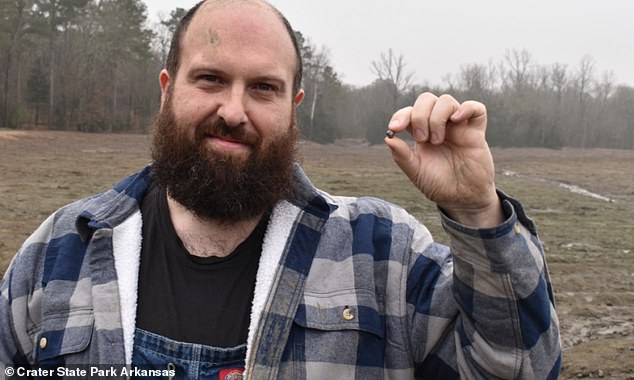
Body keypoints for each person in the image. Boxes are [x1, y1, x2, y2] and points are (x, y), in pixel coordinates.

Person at [0, 0, 561, 378]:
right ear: (167, 90)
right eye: (211, 78)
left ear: (293, 108)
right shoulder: (60, 252)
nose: (233, 111)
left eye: (263, 88)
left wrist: (475, 210)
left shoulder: (382, 252)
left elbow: (519, 367)